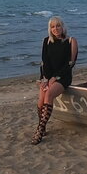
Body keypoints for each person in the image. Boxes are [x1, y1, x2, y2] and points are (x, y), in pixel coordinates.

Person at [32, 16, 78, 144]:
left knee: (49, 94)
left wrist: (55, 78)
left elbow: (70, 63)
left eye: (58, 26)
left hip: (63, 77)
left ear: (63, 26)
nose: (55, 29)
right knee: (41, 100)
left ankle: (39, 130)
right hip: (48, 77)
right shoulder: (46, 41)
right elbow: (44, 62)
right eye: (52, 27)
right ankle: (43, 125)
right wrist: (45, 79)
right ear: (50, 29)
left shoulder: (71, 41)